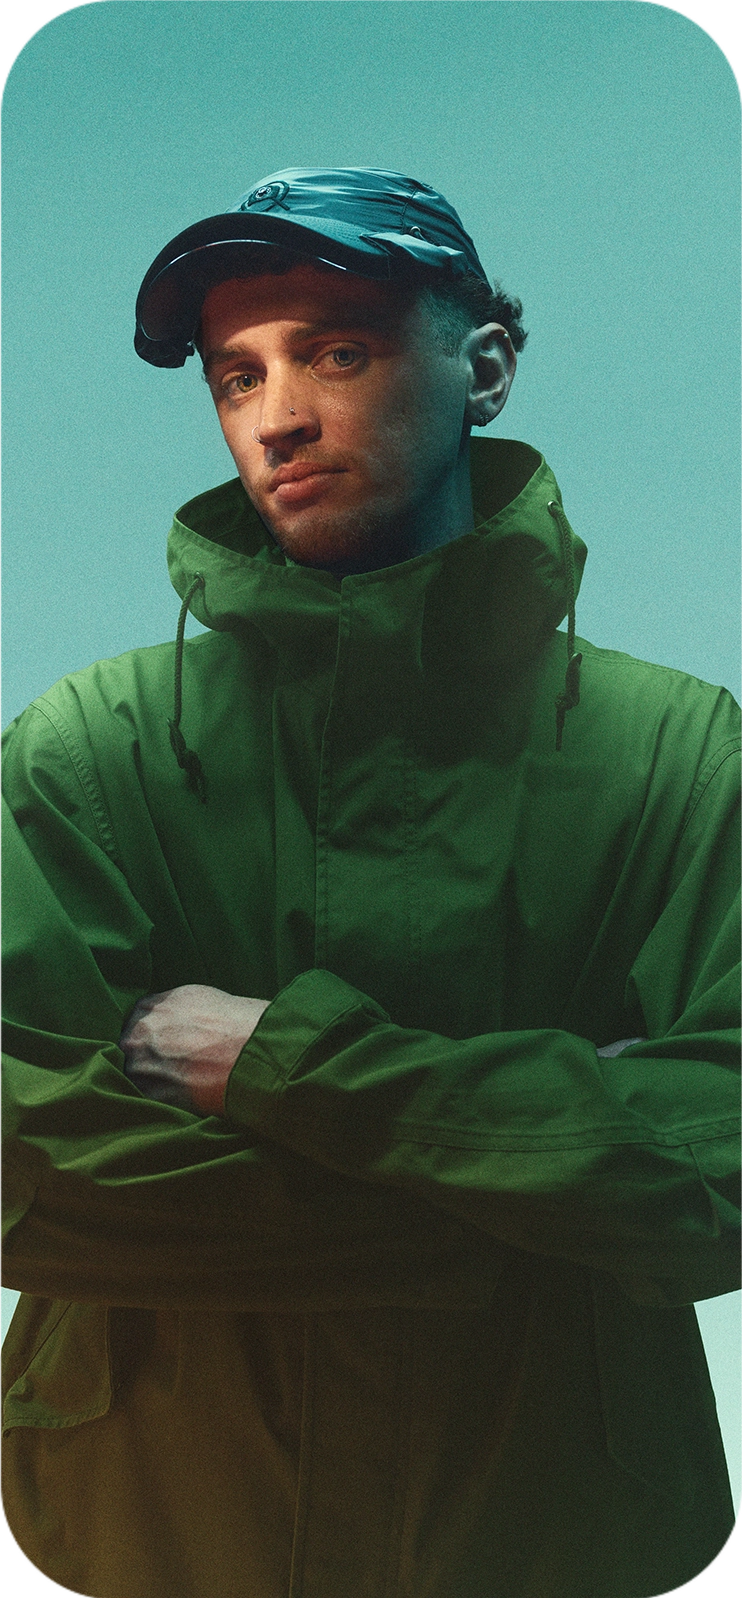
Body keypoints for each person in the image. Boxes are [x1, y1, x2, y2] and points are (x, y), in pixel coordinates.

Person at [0, 166, 741, 1598]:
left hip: (549, 1537)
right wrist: (534, 1171)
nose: (275, 415)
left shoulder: (677, 753)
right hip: (142, 1532)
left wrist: (281, 1064)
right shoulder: (88, 752)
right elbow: (23, 1162)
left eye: (337, 351)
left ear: (485, 368)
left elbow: (726, 1160)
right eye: (237, 374)